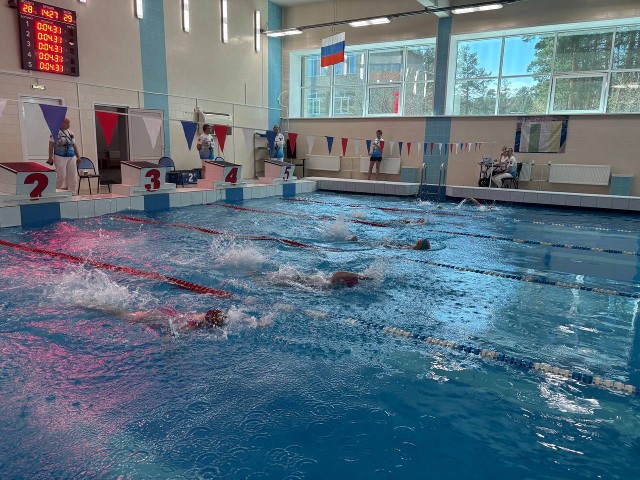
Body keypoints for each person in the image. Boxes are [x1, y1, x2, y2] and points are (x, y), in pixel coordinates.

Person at [103, 305, 227, 333]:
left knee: (129, 314)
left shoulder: (200, 315)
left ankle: (102, 306)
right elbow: (172, 333)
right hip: (161, 317)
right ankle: (98, 307)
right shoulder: (194, 325)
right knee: (126, 317)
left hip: (166, 313)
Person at [48, 117, 80, 194]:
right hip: (59, 156)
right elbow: (51, 146)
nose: (68, 125)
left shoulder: (71, 133)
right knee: (61, 175)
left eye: (69, 123)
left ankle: (72, 192)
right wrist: (50, 157)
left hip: (71, 156)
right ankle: (54, 191)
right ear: (61, 123)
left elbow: (74, 145)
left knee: (73, 174)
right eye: (66, 123)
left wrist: (78, 156)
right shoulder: (55, 132)